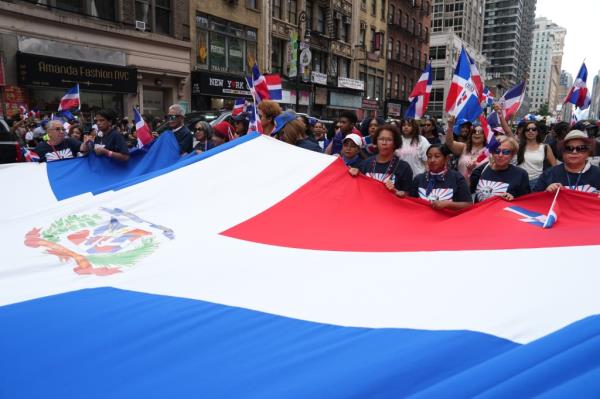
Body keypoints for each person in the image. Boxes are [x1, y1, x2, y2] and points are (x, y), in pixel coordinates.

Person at [349, 125, 413, 197]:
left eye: (389, 140)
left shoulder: (404, 167)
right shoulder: (365, 164)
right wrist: (352, 175)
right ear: (376, 142)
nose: (384, 143)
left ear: (395, 143)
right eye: (381, 139)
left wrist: (398, 192)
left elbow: (408, 196)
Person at [533, 130, 600, 193]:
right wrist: (546, 193)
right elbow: (534, 200)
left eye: (581, 148)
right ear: (562, 152)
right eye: (569, 148)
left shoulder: (598, 174)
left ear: (588, 152)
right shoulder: (549, 174)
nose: (574, 152)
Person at [410, 144, 472, 210]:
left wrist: (448, 204)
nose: (432, 160)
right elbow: (410, 204)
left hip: (449, 219)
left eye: (437, 156)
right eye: (429, 157)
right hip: (423, 219)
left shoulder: (456, 178)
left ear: (446, 159)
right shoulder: (419, 179)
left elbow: (468, 205)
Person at [470, 136, 530, 202]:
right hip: (480, 211)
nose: (500, 155)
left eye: (506, 152)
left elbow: (525, 202)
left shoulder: (520, 174)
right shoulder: (481, 170)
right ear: (492, 153)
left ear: (512, 155)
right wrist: (469, 172)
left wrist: (513, 201)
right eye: (497, 151)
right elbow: (467, 194)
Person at [446, 115, 487, 184]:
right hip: (462, 187)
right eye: (474, 132)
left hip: (480, 189)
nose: (476, 134)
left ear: (485, 135)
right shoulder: (464, 147)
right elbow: (449, 143)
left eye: (480, 132)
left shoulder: (489, 151)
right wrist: (450, 126)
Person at [516, 121, 556, 189]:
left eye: (534, 129)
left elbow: (554, 166)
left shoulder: (545, 147)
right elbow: (508, 132)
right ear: (524, 132)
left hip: (536, 182)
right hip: (520, 181)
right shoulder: (518, 146)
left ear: (537, 132)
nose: (530, 131)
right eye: (527, 129)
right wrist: (501, 116)